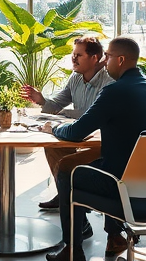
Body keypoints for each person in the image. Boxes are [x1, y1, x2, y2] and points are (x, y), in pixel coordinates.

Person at [42, 36, 146, 261]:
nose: (105, 61)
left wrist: (54, 128)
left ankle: (72, 250)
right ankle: (113, 235)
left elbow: (77, 132)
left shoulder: (114, 91)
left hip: (122, 181)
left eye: (108, 57)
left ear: (120, 60)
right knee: (84, 161)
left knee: (68, 172)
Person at [21, 36, 113, 218]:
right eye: (73, 54)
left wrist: (67, 117)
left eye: (79, 55)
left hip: (100, 142)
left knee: (66, 161)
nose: (73, 59)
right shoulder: (76, 78)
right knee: (52, 147)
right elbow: (57, 104)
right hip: (80, 134)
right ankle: (67, 194)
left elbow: (92, 118)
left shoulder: (109, 83)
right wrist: (41, 99)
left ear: (94, 58)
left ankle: (72, 197)